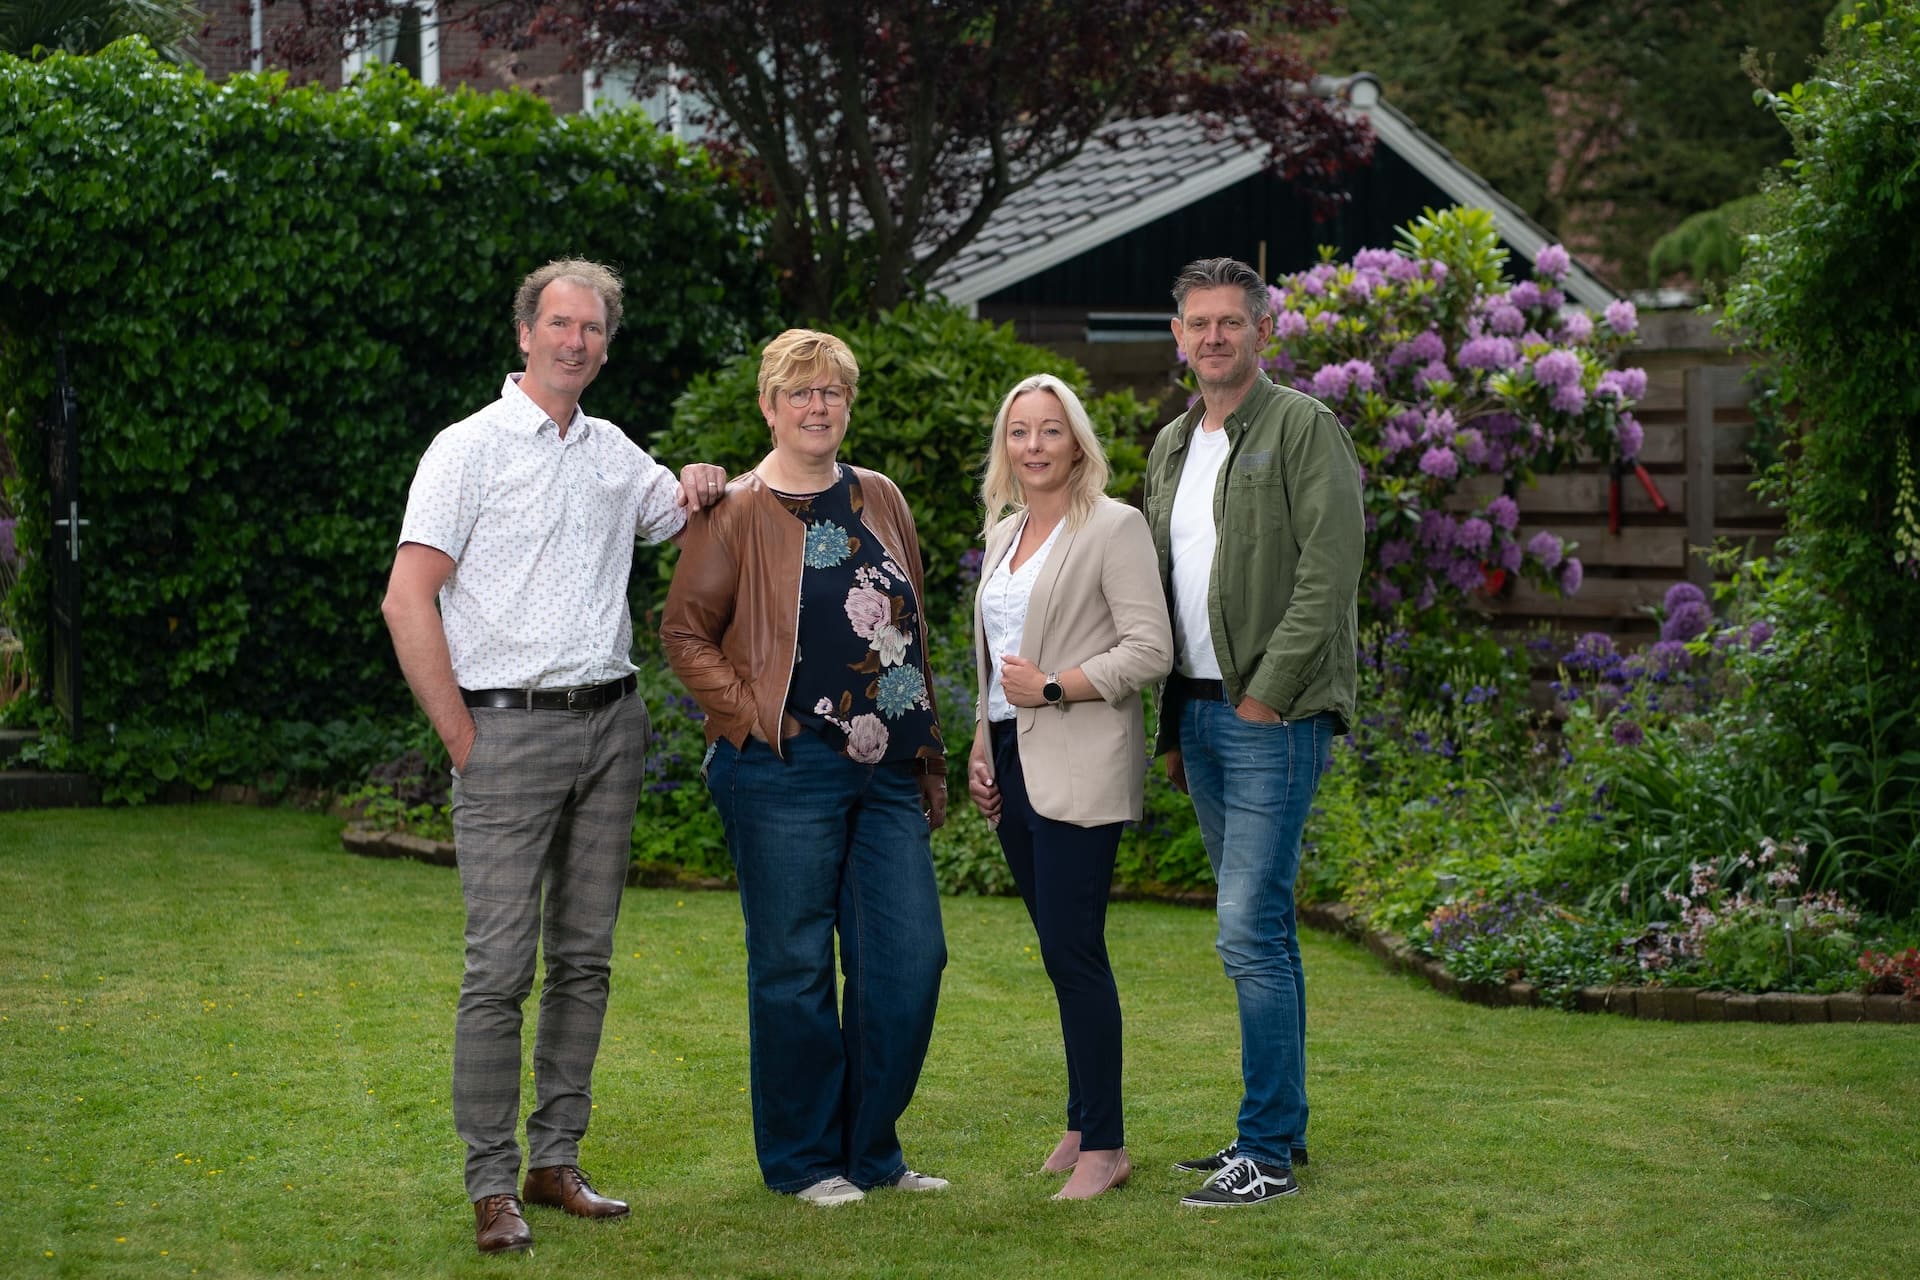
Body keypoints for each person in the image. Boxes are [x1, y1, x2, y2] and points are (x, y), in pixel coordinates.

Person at [381, 259, 729, 1254]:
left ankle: (556, 1159)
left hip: (611, 726)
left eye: (593, 328)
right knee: (499, 967)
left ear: (606, 347)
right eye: (561, 323)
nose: (576, 341)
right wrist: (462, 737)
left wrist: (705, 480)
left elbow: (691, 514)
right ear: (525, 333)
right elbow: (407, 599)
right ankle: (493, 1184)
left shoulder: (613, 451)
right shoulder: (467, 449)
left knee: (584, 960)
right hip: (506, 729)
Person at [660, 328, 950, 1207]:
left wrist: (928, 752)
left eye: (831, 391)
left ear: (847, 403)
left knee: (909, 962)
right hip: (783, 770)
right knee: (793, 968)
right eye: (800, 392)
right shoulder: (736, 509)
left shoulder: (880, 495)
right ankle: (803, 1161)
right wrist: (757, 716)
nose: (817, 406)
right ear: (769, 406)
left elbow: (910, 631)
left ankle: (871, 1152)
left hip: (887, 769)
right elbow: (684, 633)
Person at [1143, 257, 1364, 1208]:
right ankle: (1283, 1129)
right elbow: (1156, 587)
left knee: (1245, 929)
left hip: (1271, 714)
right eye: (1197, 323)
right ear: (1178, 337)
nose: (1213, 337)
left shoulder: (1303, 427)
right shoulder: (1171, 445)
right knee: (1265, 925)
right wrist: (1171, 723)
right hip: (1199, 712)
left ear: (1262, 333)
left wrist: (1265, 698)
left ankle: (1264, 1154)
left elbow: (1330, 572)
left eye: (1230, 321)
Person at [965, 375, 1172, 1201]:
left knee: (1075, 951)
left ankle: (1108, 1147)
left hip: (1080, 759)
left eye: (1051, 430)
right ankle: (1084, 1121)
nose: (1035, 446)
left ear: (1077, 442)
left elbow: (1150, 649)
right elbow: (994, 657)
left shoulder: (1114, 527)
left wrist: (1054, 687)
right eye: (1020, 432)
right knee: (1060, 950)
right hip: (1012, 759)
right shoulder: (1004, 532)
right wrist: (982, 746)